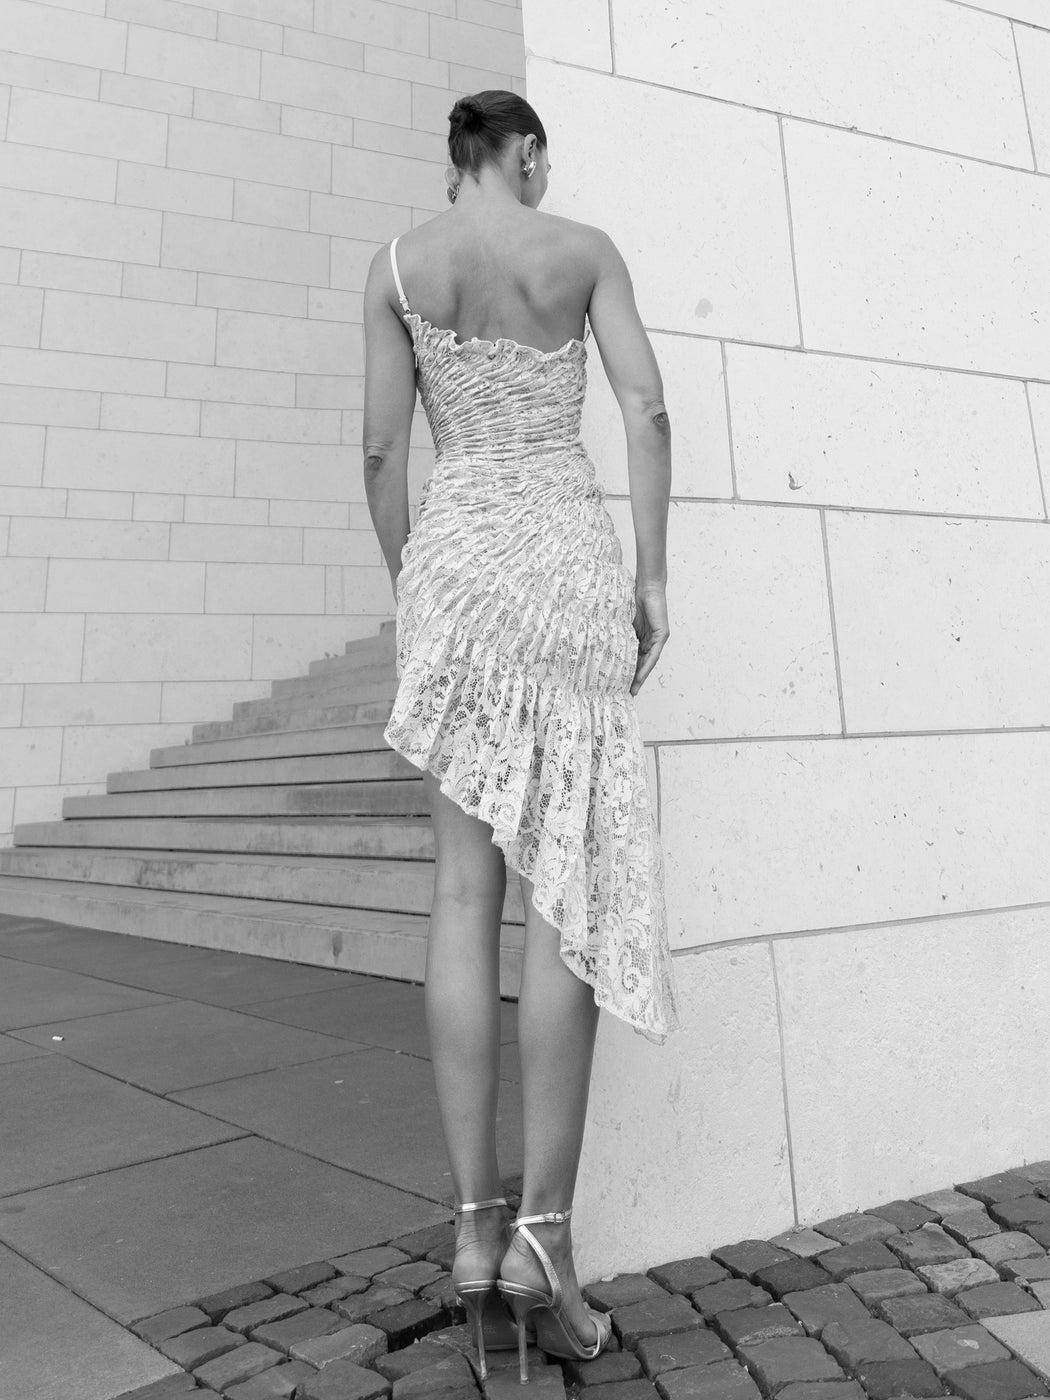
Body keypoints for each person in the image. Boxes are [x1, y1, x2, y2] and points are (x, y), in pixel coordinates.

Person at [362, 89, 680, 1384]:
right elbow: (645, 411)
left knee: (459, 895)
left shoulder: (396, 264)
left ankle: (474, 1230)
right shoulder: (582, 251)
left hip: (458, 568)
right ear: (525, 151)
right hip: (558, 564)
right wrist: (652, 576)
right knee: (563, 901)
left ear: (454, 158)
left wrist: (416, 591)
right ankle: (546, 1234)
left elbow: (382, 445)